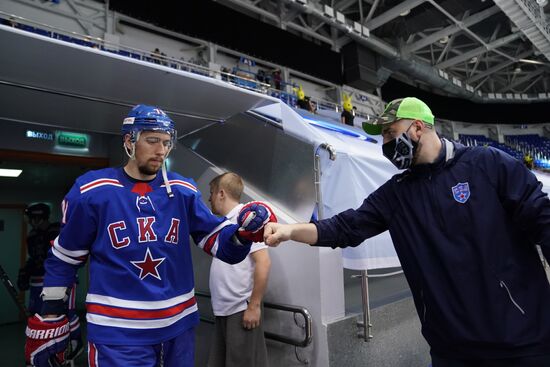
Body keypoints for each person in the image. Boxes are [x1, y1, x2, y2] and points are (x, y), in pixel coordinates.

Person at [264, 97, 550, 366]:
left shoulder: (487, 165)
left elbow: (542, 219)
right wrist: (290, 231)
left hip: (521, 342)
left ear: (417, 127)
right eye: (383, 137)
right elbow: (345, 228)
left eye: (390, 133)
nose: (385, 143)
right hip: (452, 352)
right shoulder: (396, 195)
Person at [24, 105, 276, 367]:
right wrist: (51, 315)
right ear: (129, 141)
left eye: (167, 143)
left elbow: (217, 242)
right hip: (118, 334)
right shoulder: (92, 191)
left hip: (178, 328)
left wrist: (243, 233)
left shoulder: (183, 190)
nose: (161, 151)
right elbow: (64, 259)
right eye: (152, 140)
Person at [207, 173, 271, 367]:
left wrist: (254, 306)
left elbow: (263, 262)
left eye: (211, 193)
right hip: (224, 309)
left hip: (240, 309)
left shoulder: (247, 219)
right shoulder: (225, 222)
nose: (209, 198)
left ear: (221, 193)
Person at [18, 203, 83, 361]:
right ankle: (49, 345)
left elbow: (63, 258)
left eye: (34, 217)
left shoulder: (57, 231)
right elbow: (34, 258)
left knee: (65, 311)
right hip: (38, 280)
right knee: (40, 313)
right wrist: (25, 272)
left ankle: (76, 341)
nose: (32, 221)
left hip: (59, 279)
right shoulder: (32, 235)